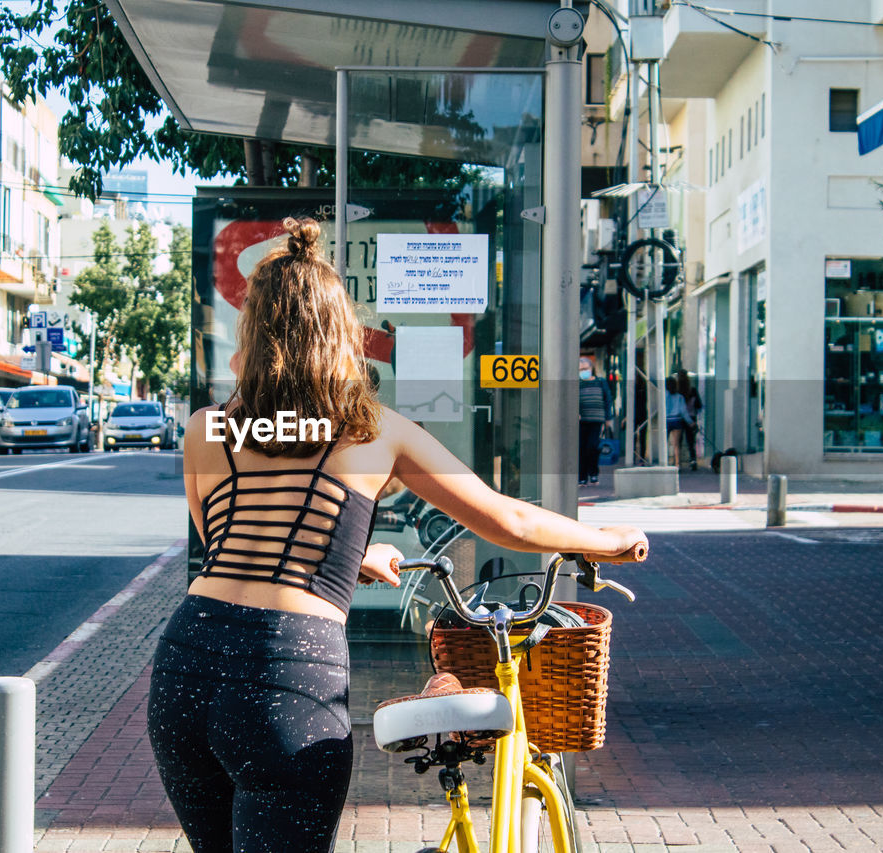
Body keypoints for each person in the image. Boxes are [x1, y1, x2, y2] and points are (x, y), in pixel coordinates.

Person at [147, 217, 649, 853]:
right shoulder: (374, 431)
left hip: (187, 662)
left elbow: (236, 546)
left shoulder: (205, 431)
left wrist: (353, 551)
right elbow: (507, 519)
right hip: (287, 671)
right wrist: (604, 537)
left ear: (257, 331)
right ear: (340, 335)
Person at [577, 355, 613, 485]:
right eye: (580, 369)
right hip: (582, 420)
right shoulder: (578, 383)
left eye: (585, 368)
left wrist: (608, 418)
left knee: (592, 446)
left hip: (597, 420)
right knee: (581, 448)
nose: (583, 372)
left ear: (591, 368)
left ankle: (593, 473)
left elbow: (607, 399)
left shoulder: (600, 381)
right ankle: (582, 476)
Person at [675, 370, 702, 471]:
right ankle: (693, 460)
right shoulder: (693, 390)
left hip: (679, 418)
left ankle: (678, 463)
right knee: (691, 441)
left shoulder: (676, 391)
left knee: (678, 442)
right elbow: (699, 405)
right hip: (691, 418)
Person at [664, 375, 692, 468]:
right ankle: (677, 464)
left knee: (665, 443)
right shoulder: (679, 397)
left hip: (667, 420)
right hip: (677, 420)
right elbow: (683, 411)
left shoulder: (664, 395)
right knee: (676, 444)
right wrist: (690, 422)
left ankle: (665, 462)